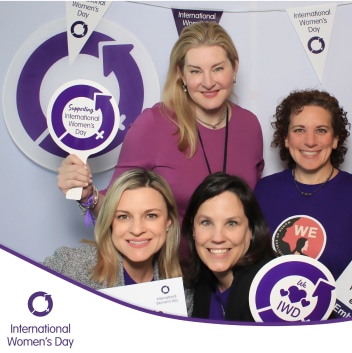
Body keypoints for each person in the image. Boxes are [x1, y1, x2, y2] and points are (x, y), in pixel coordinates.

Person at [57, 21, 264, 265]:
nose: (208, 82)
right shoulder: (154, 124)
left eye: (218, 68)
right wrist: (87, 196)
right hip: (173, 278)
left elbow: (251, 209)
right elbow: (114, 209)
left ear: (234, 67)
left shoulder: (250, 126)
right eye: (196, 71)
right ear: (181, 74)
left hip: (234, 274)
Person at [254, 89, 352, 280]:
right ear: (286, 138)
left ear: (335, 139)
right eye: (299, 130)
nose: (310, 141)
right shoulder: (264, 191)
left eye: (321, 130)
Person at [44, 168, 185, 294]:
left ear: (168, 222)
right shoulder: (69, 267)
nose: (137, 230)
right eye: (123, 216)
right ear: (111, 222)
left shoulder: (182, 292)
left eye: (151, 216)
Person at [182, 172, 276, 321]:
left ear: (251, 229)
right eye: (206, 223)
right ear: (193, 228)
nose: (218, 238)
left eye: (232, 223)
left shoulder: (271, 289)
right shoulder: (200, 284)